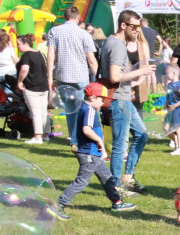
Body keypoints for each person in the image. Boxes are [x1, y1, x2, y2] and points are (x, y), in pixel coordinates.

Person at [54, 83, 137, 219]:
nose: (103, 102)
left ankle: (117, 202)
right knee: (81, 181)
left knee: (107, 177)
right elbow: (87, 130)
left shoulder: (85, 107)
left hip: (94, 153)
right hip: (89, 154)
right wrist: (99, 141)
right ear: (92, 97)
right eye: (101, 99)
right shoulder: (89, 110)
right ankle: (58, 205)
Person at [102, 9, 152, 197]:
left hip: (124, 97)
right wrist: (141, 71)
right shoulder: (117, 45)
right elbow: (115, 76)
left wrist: (132, 78)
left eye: (139, 27)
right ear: (123, 25)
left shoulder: (114, 42)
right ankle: (116, 186)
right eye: (135, 27)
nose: (138, 30)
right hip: (118, 100)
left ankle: (127, 176)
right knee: (120, 144)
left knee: (141, 134)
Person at [46, 6, 98, 150]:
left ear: (64, 16)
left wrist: (50, 78)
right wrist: (99, 78)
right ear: (78, 17)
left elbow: (50, 56)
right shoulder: (84, 34)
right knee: (84, 108)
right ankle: (83, 138)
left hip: (63, 75)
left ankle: (74, 139)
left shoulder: (54, 31)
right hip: (81, 76)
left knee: (70, 110)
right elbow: (91, 60)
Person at [15, 34, 49, 144]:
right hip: (43, 86)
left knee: (36, 112)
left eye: (18, 44)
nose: (17, 47)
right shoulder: (40, 54)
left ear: (25, 44)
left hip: (32, 87)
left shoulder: (26, 55)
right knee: (44, 112)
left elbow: (24, 69)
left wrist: (20, 81)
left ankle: (37, 137)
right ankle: (45, 134)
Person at [165, 64, 180, 156]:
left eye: (168, 73)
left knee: (177, 129)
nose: (166, 75)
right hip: (170, 109)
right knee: (166, 129)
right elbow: (169, 96)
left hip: (177, 110)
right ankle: (177, 143)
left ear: (174, 73)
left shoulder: (179, 85)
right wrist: (165, 104)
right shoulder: (170, 84)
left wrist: (175, 106)